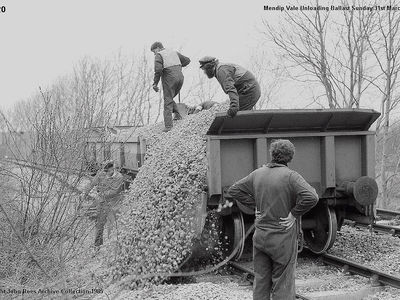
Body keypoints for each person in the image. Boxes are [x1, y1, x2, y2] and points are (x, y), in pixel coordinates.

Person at [225, 139, 318, 300]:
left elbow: (234, 190)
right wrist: (294, 213)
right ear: (290, 158)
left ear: (272, 154)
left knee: (261, 281)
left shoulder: (257, 173)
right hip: (282, 239)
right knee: (282, 284)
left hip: (260, 237)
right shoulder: (291, 176)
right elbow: (312, 197)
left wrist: (256, 205)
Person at [151, 41, 191, 132]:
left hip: (169, 79)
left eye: (154, 52)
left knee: (167, 101)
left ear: (157, 48)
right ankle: (177, 115)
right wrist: (178, 66)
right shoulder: (174, 52)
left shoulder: (159, 55)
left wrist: (155, 84)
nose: (154, 54)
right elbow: (187, 60)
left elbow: (158, 70)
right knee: (169, 98)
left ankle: (168, 126)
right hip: (180, 79)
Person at [83, 161, 125, 247]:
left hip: (114, 204)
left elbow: (114, 191)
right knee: (99, 224)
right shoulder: (101, 173)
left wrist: (102, 194)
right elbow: (92, 183)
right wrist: (85, 192)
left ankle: (112, 246)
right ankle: (97, 245)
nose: (105, 174)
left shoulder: (119, 177)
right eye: (104, 171)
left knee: (112, 226)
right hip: (102, 203)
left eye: (107, 171)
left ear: (112, 169)